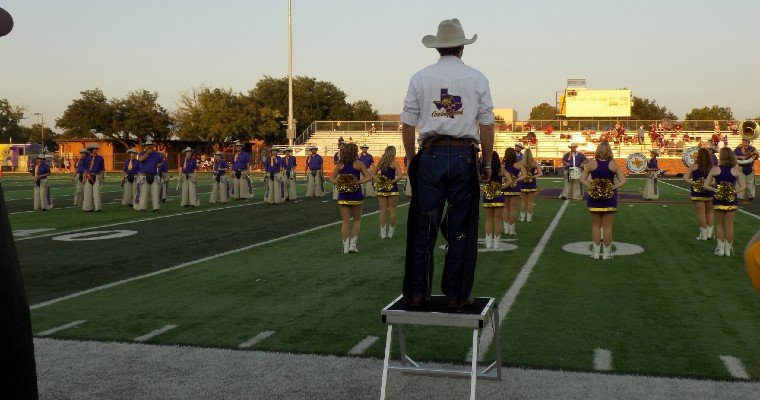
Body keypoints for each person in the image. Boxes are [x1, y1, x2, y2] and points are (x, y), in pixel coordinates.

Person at [400, 18, 495, 308]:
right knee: (461, 229)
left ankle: (417, 294)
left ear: (438, 48)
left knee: (422, 227)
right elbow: (487, 125)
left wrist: (412, 160)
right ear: (462, 49)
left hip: (430, 154)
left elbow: (407, 125)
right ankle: (455, 295)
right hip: (464, 155)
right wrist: (487, 162)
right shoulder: (477, 78)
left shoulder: (420, 77)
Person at [581, 141, 627, 260]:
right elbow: (623, 181)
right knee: (607, 227)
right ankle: (607, 254)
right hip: (609, 199)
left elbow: (582, 179)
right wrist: (610, 187)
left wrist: (592, 186)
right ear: (609, 151)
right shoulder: (613, 164)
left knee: (596, 226)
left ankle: (596, 254)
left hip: (594, 198)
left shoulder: (591, 163)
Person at [327, 142, 371, 253]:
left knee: (345, 222)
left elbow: (331, 178)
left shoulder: (339, 164)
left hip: (343, 195)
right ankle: (352, 246)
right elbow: (369, 177)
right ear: (355, 152)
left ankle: (345, 248)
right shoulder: (359, 164)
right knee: (357, 220)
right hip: (356, 194)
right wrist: (358, 182)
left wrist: (341, 183)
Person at [704, 148, 747, 256]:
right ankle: (728, 250)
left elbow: (706, 185)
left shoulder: (715, 169)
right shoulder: (735, 170)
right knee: (729, 225)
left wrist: (717, 190)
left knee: (719, 224)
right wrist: (732, 191)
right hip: (731, 200)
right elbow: (743, 186)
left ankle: (720, 249)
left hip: (718, 200)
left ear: (721, 157)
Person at [372, 146, 404, 239]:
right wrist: (391, 182)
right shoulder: (394, 163)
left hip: (382, 189)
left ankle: (382, 233)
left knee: (383, 212)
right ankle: (390, 233)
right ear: (393, 153)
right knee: (392, 212)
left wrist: (379, 180)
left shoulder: (381, 163)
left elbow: (373, 174)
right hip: (392, 189)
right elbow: (400, 176)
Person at [683, 148, 715, 240]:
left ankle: (703, 235)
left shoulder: (693, 166)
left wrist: (695, 183)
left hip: (697, 192)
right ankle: (709, 234)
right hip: (709, 191)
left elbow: (685, 178)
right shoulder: (712, 167)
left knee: (701, 213)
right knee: (709, 213)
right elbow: (715, 180)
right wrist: (707, 183)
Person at [482, 151, 509, 249]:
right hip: (499, 196)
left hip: (487, 196)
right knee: (497, 221)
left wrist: (485, 187)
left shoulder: (485, 169)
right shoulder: (501, 169)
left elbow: (479, 180)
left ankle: (488, 243)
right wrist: (501, 187)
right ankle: (497, 244)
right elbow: (510, 180)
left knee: (488, 220)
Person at [501, 147, 525, 235]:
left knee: (505, 208)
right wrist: (516, 180)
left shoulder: (503, 165)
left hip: (506, 187)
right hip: (515, 188)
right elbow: (524, 175)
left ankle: (506, 229)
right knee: (513, 209)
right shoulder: (518, 164)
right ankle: (512, 230)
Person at [135, 139, 164, 212]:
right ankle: (142, 207)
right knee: (144, 193)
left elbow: (161, 163)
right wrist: (147, 154)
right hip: (144, 176)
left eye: (150, 145)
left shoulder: (157, 154)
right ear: (145, 146)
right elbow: (140, 160)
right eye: (147, 145)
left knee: (155, 193)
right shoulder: (142, 153)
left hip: (154, 175)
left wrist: (160, 165)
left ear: (152, 146)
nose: (148, 146)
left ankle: (156, 208)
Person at [519, 148, 542, 222]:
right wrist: (532, 176)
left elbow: (518, 173)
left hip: (523, 183)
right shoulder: (534, 162)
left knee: (523, 201)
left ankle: (522, 218)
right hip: (532, 183)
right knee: (530, 202)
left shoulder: (521, 162)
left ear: (524, 155)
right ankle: (529, 218)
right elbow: (540, 173)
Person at [82, 144, 105, 212]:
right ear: (92, 150)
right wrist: (84, 178)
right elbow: (86, 169)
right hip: (89, 176)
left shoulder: (100, 158)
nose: (97, 150)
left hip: (97, 176)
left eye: (97, 149)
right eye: (96, 149)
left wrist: (102, 177)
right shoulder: (87, 158)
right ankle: (88, 208)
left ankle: (98, 208)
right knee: (87, 192)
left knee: (96, 192)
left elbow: (102, 169)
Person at [735, 137, 757, 203]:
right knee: (741, 183)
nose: (746, 142)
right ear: (742, 141)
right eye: (745, 140)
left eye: (748, 141)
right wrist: (740, 157)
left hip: (750, 167)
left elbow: (756, 157)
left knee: (750, 183)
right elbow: (733, 156)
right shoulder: (738, 149)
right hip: (741, 167)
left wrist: (755, 153)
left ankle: (751, 197)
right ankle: (740, 197)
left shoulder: (752, 148)